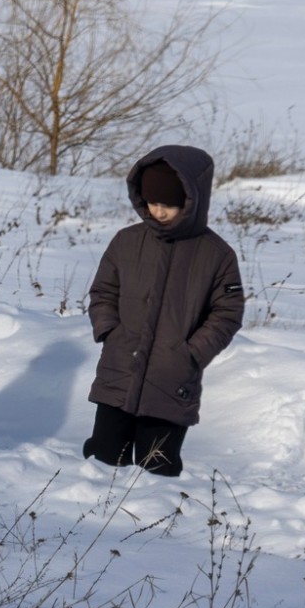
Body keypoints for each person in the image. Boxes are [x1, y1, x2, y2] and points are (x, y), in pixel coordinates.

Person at [82, 145, 246, 477]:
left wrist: (191, 353)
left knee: (157, 470)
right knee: (104, 461)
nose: (158, 211)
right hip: (119, 370)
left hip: (171, 380)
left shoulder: (216, 255)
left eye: (169, 205)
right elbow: (103, 292)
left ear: (192, 200)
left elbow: (227, 312)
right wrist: (110, 331)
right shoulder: (126, 242)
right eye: (152, 203)